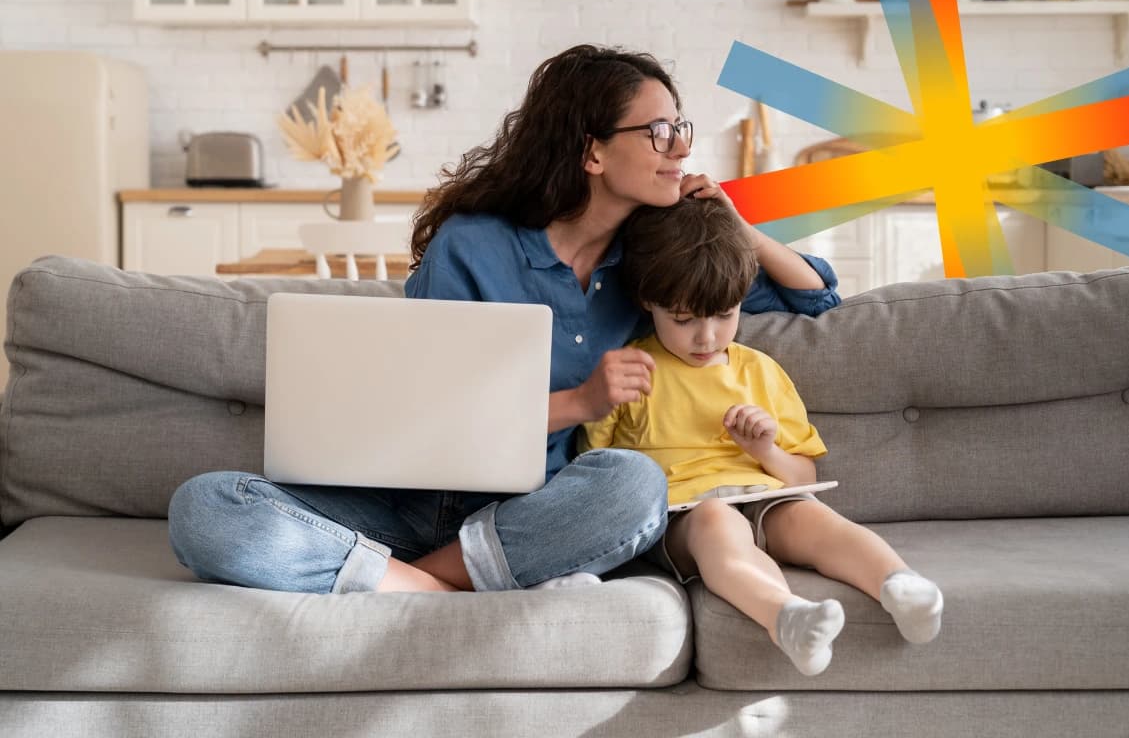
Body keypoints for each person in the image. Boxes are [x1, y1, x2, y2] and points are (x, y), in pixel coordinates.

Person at [167, 44, 841, 596]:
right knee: (208, 508)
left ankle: (403, 586)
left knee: (635, 485)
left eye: (680, 128)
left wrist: (733, 223)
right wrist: (581, 401)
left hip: (532, 513)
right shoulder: (472, 246)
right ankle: (433, 587)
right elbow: (425, 415)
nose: (679, 147)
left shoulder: (650, 258)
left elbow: (812, 299)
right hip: (399, 502)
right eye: (658, 131)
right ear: (593, 152)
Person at [579, 197, 943, 676]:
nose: (706, 338)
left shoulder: (760, 371)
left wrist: (763, 449)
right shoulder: (632, 370)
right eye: (684, 320)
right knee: (717, 523)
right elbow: (596, 473)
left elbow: (804, 474)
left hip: (765, 494)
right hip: (685, 517)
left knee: (815, 521)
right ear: (650, 302)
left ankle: (901, 586)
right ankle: (784, 616)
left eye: (724, 315)